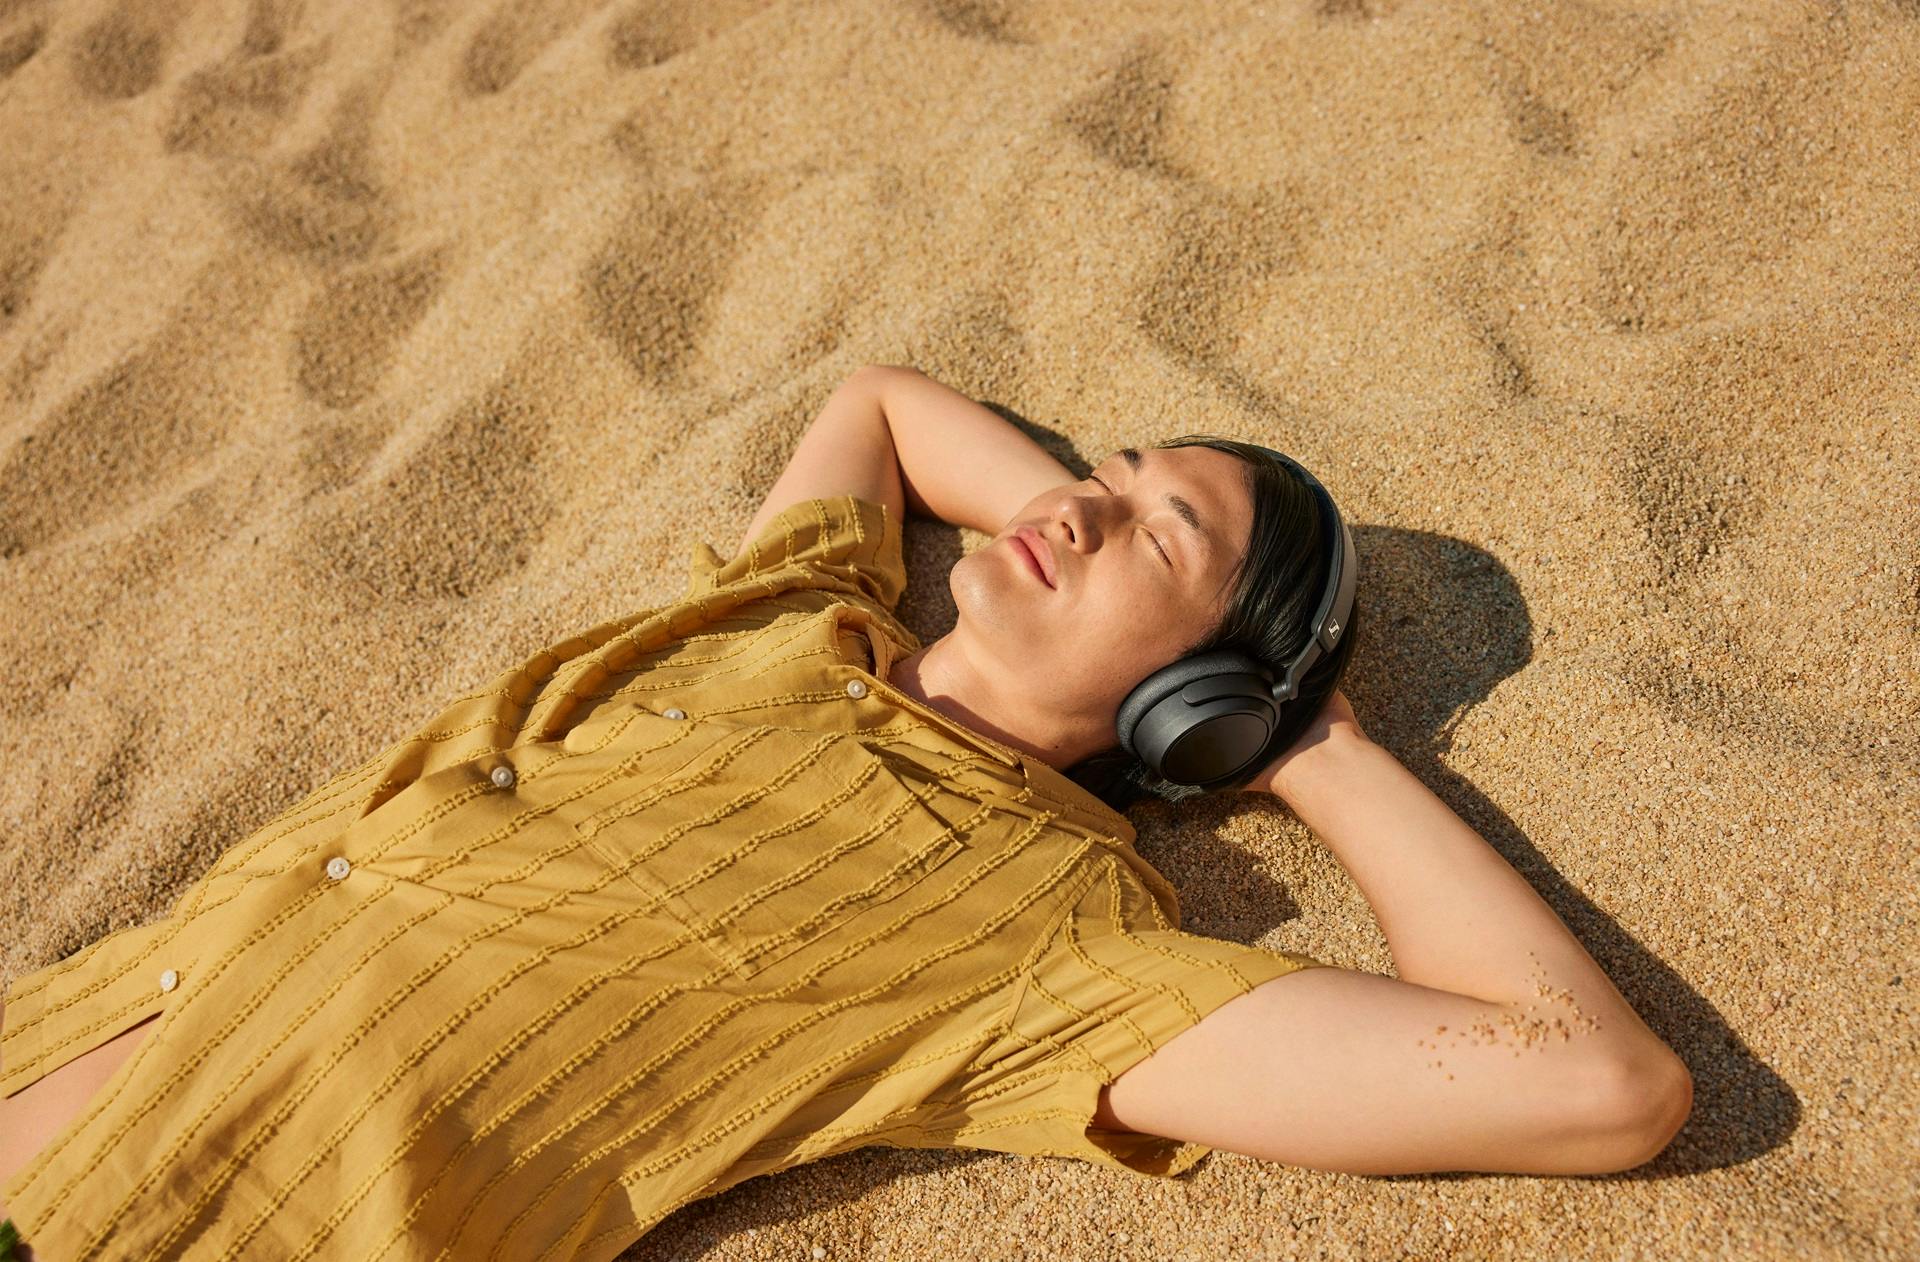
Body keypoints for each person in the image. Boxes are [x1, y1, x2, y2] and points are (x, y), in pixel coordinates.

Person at [0, 365, 1690, 1259]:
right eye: (1099, 476)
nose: (1077, 514)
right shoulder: (796, 613)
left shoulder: (1042, 941)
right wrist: (1083, 516)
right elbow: (878, 399)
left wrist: (1307, 745)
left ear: (1204, 698)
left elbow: (1594, 1081)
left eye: (1157, 536)